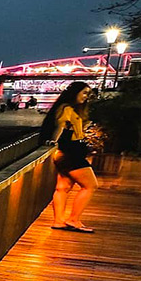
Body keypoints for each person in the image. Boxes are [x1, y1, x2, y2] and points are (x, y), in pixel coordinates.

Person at [40, 81, 97, 233]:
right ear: (75, 93)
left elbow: (71, 128)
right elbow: (60, 126)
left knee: (63, 187)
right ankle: (74, 219)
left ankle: (58, 221)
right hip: (71, 153)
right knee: (90, 185)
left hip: (66, 153)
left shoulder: (71, 109)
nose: (86, 97)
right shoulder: (66, 108)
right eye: (84, 93)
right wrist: (54, 140)